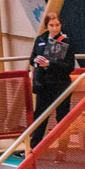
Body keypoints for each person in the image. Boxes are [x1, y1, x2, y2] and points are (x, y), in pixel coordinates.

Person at [30, 11, 77, 145]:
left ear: (61, 25)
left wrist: (50, 64)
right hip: (43, 84)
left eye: (57, 25)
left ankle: (62, 149)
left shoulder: (66, 41)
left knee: (62, 116)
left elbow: (69, 66)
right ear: (47, 26)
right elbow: (32, 58)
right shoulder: (40, 39)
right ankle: (34, 147)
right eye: (51, 25)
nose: (55, 28)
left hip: (61, 84)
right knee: (40, 116)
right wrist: (36, 60)